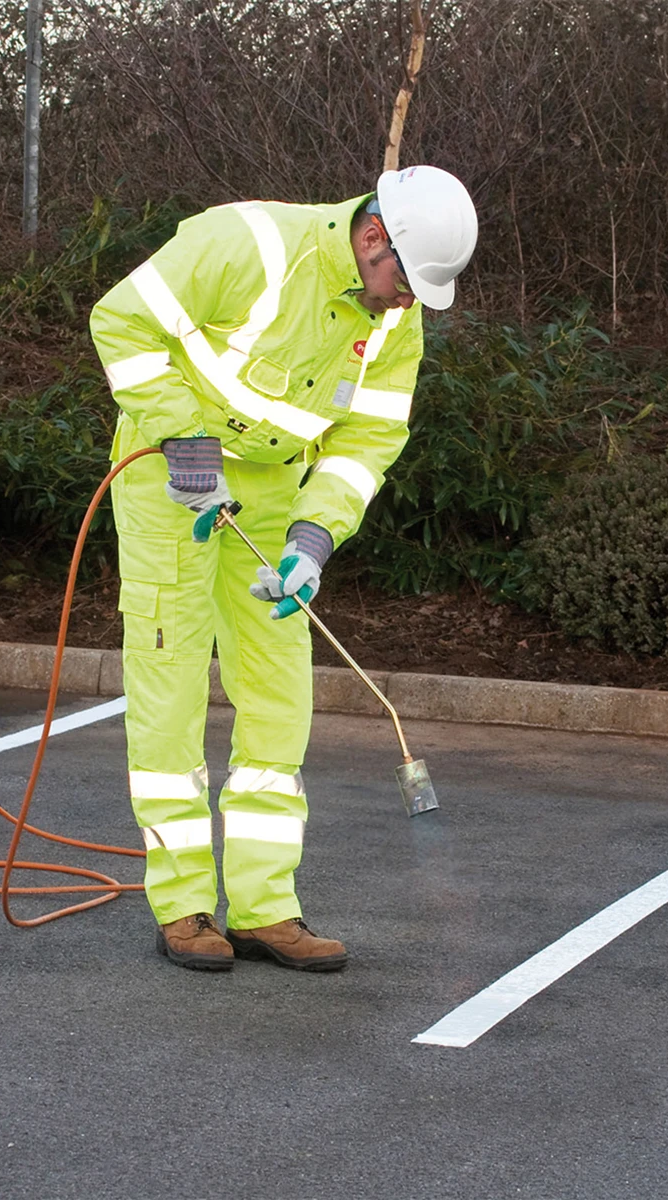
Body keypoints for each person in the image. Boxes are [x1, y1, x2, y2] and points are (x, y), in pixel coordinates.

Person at [88, 165, 478, 972]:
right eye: (404, 283)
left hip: (273, 492)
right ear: (374, 237)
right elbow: (121, 321)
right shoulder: (250, 242)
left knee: (279, 692)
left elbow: (368, 440)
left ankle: (265, 907)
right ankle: (184, 906)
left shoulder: (396, 320)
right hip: (171, 476)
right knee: (171, 686)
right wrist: (186, 443)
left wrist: (312, 537)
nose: (406, 304)